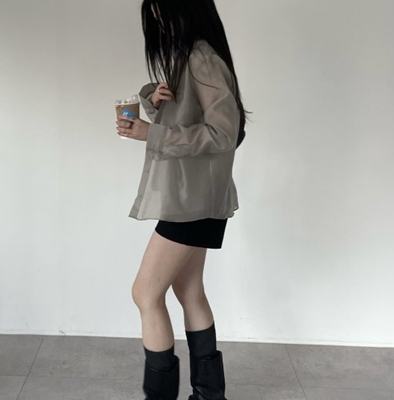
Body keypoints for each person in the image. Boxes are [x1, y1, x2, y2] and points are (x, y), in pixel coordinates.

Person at [115, 0, 247, 399]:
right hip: (195, 198)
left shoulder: (201, 57)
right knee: (189, 292)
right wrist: (155, 101)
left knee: (145, 293)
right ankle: (209, 394)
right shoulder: (187, 56)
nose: (158, 20)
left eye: (163, 11)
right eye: (153, 12)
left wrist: (150, 133)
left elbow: (224, 133)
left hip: (192, 200)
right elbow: (190, 120)